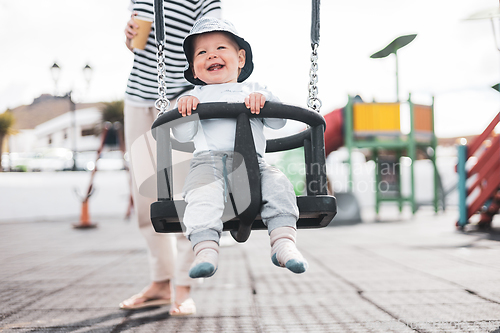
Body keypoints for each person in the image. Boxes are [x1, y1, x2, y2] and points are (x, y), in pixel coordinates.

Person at [172, 17, 309, 279]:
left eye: (221, 48)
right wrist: (185, 109)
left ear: (241, 58)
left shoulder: (254, 90)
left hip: (253, 165)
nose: (211, 54)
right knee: (201, 196)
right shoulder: (195, 95)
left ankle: (283, 243)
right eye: (202, 52)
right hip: (208, 164)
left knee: (279, 185)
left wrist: (265, 101)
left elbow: (278, 122)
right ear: (194, 68)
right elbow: (182, 133)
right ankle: (205, 249)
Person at [120, 0, 221, 316]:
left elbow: (215, 39)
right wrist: (128, 36)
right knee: (145, 197)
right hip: (137, 96)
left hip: (182, 97)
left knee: (183, 195)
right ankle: (162, 281)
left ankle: (183, 286)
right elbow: (139, 44)